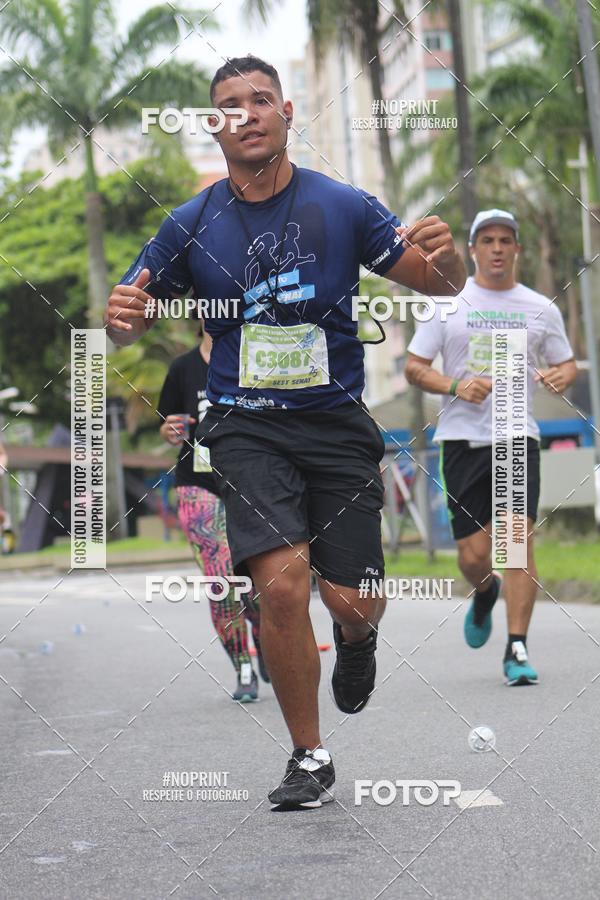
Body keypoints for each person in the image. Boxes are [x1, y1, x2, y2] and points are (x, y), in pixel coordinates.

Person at [104, 54, 465, 810]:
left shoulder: (343, 206)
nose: (248, 113)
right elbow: (130, 321)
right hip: (244, 427)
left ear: (287, 111)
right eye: (231, 104)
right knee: (280, 586)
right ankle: (309, 755)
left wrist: (451, 260)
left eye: (261, 99)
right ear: (216, 125)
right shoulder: (190, 224)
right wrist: (124, 325)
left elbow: (437, 283)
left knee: (354, 600)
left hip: (335, 425)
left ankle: (360, 641)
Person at [405, 209, 577, 686]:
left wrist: (562, 376)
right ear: (474, 249)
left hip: (515, 434)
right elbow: (414, 367)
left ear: (517, 249)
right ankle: (484, 591)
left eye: (506, 240)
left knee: (516, 543)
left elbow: (565, 366)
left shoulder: (542, 307)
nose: (497, 248)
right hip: (461, 439)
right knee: (473, 556)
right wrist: (454, 385)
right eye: (488, 240)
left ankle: (516, 645)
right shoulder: (447, 304)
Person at [157, 323, 267, 701]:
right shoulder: (182, 368)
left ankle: (266, 640)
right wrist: (170, 429)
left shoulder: (254, 358)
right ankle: (244, 669)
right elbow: (167, 422)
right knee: (222, 583)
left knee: (257, 581)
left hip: (251, 484)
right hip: (198, 484)